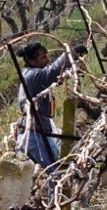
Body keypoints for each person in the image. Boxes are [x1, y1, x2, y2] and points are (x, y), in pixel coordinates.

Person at [15, 40, 87, 168]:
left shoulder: (31, 74)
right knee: (55, 172)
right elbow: (53, 72)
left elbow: (54, 76)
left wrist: (73, 66)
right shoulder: (33, 75)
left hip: (31, 132)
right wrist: (72, 52)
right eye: (43, 57)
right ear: (32, 61)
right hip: (35, 135)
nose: (47, 60)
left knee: (31, 176)